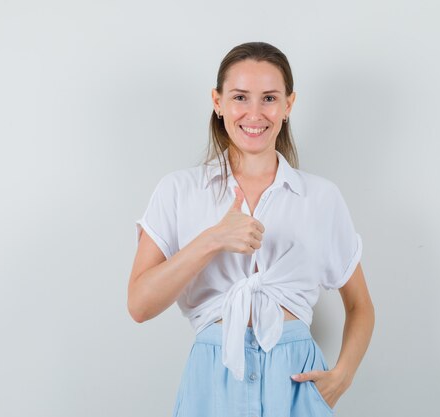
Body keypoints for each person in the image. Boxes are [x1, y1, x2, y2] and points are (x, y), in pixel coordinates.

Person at [128, 41, 374, 417]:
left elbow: (360, 305)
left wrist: (343, 376)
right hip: (212, 380)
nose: (254, 113)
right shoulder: (178, 190)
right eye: (240, 97)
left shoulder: (321, 197)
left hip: (296, 383)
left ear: (288, 105)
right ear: (217, 101)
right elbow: (140, 305)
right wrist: (212, 240)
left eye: (270, 98)